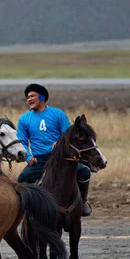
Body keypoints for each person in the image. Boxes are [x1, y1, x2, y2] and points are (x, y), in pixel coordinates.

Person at [17, 83, 92, 216]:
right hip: (40, 158)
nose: (29, 99)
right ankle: (23, 209)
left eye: (32, 96)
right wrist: (28, 157)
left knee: (84, 172)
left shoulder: (58, 114)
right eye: (27, 97)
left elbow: (68, 134)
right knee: (23, 178)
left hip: (60, 157)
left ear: (41, 97)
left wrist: (59, 142)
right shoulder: (24, 119)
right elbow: (22, 141)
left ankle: (83, 203)